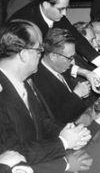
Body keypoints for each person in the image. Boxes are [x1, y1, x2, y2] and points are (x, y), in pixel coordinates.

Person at [0, 21, 91, 165]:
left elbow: (42, 121)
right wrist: (63, 143)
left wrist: (66, 132)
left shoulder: (23, 81)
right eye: (38, 51)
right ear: (24, 54)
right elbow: (12, 153)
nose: (41, 55)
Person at [8, 0, 100, 80]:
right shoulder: (27, 23)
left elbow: (76, 38)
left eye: (66, 8)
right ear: (46, 5)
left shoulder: (55, 14)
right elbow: (43, 62)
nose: (64, 14)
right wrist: (81, 71)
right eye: (61, 9)